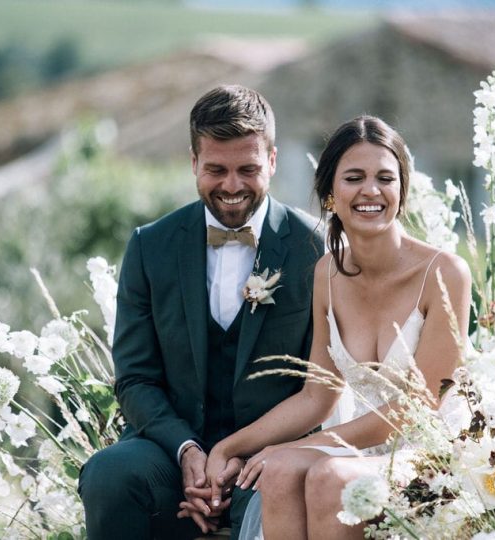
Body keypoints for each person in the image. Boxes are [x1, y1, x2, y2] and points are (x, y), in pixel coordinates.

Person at [181, 116, 472, 539]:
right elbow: (317, 395)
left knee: (329, 476)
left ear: (401, 191)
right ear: (331, 194)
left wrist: (304, 446)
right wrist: (231, 447)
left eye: (385, 178)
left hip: (436, 448)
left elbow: (421, 408)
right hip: (364, 448)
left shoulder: (445, 272)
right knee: (278, 470)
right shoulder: (327, 275)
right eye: (354, 177)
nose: (370, 190)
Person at [78, 84, 324, 539]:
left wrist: (240, 454)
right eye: (216, 169)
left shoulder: (314, 247)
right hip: (172, 451)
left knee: (279, 488)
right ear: (193, 163)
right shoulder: (150, 246)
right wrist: (189, 452)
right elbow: (135, 377)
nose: (232, 186)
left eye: (248, 169)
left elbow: (319, 384)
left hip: (271, 454)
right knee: (109, 475)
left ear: (272, 161)